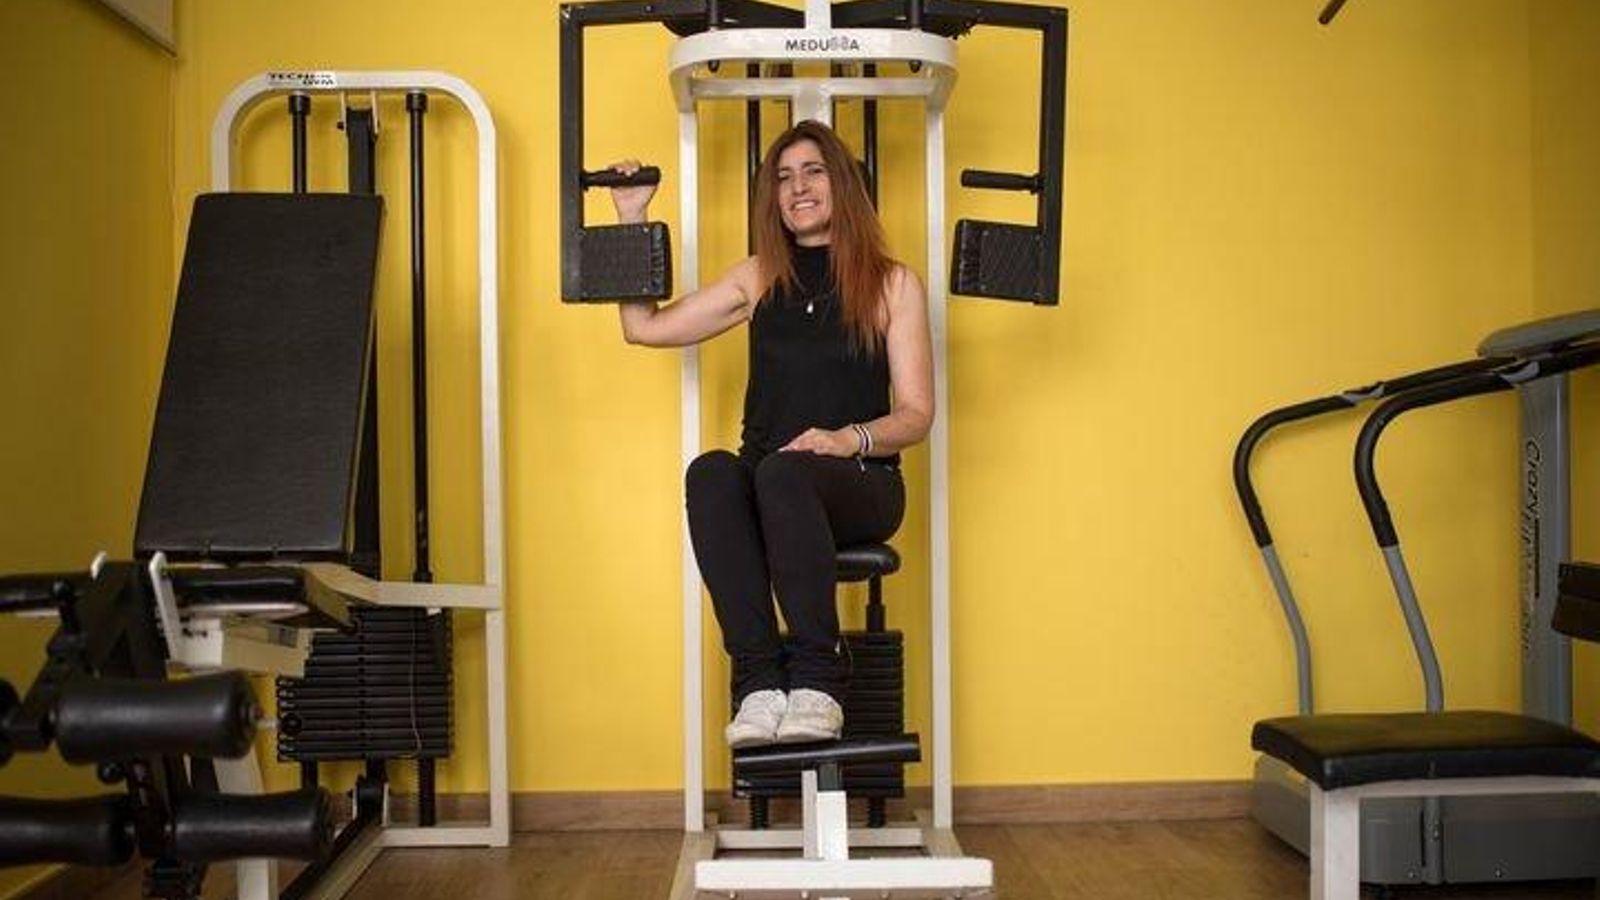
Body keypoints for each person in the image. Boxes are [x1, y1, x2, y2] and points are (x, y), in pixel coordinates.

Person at [609, 120, 933, 748]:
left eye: (813, 172)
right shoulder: (759, 278)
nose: (797, 188)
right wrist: (631, 217)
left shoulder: (892, 283)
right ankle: (759, 682)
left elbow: (917, 414)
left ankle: (818, 679)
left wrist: (845, 440)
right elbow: (642, 328)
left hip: (860, 483)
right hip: (774, 483)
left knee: (782, 472)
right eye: (783, 178)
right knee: (712, 471)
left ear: (843, 184)